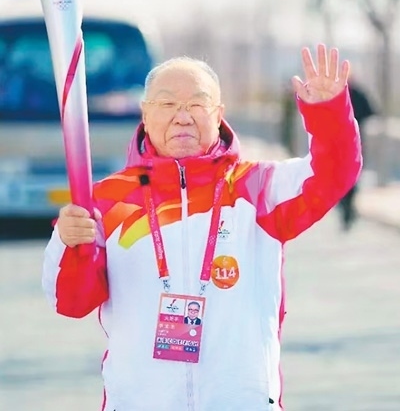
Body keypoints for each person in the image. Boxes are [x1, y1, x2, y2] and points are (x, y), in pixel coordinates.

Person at [42, 44, 362, 411]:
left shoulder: (256, 188)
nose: (182, 117)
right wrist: (69, 242)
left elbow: (333, 173)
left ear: (219, 114)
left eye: (197, 104)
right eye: (167, 104)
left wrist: (329, 114)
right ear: (145, 114)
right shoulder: (106, 201)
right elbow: (71, 301)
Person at [337, 77, 376, 230]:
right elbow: (371, 112)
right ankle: (347, 206)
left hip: (348, 143)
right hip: (350, 143)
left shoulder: (340, 94)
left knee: (347, 177)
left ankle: (347, 206)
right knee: (349, 177)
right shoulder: (353, 94)